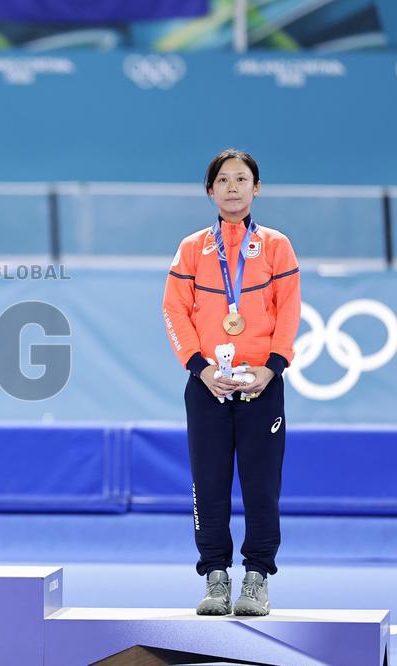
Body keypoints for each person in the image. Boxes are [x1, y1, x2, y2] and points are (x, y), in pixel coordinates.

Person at [162, 149, 300, 616]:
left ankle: (257, 578)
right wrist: (199, 368)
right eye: (223, 180)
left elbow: (290, 311)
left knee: (262, 486)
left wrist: (272, 366)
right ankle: (216, 578)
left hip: (262, 385)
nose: (233, 187)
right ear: (210, 190)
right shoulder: (191, 248)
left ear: (256, 188)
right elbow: (174, 311)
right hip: (207, 388)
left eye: (242, 179)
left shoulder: (277, 246)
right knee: (209, 484)